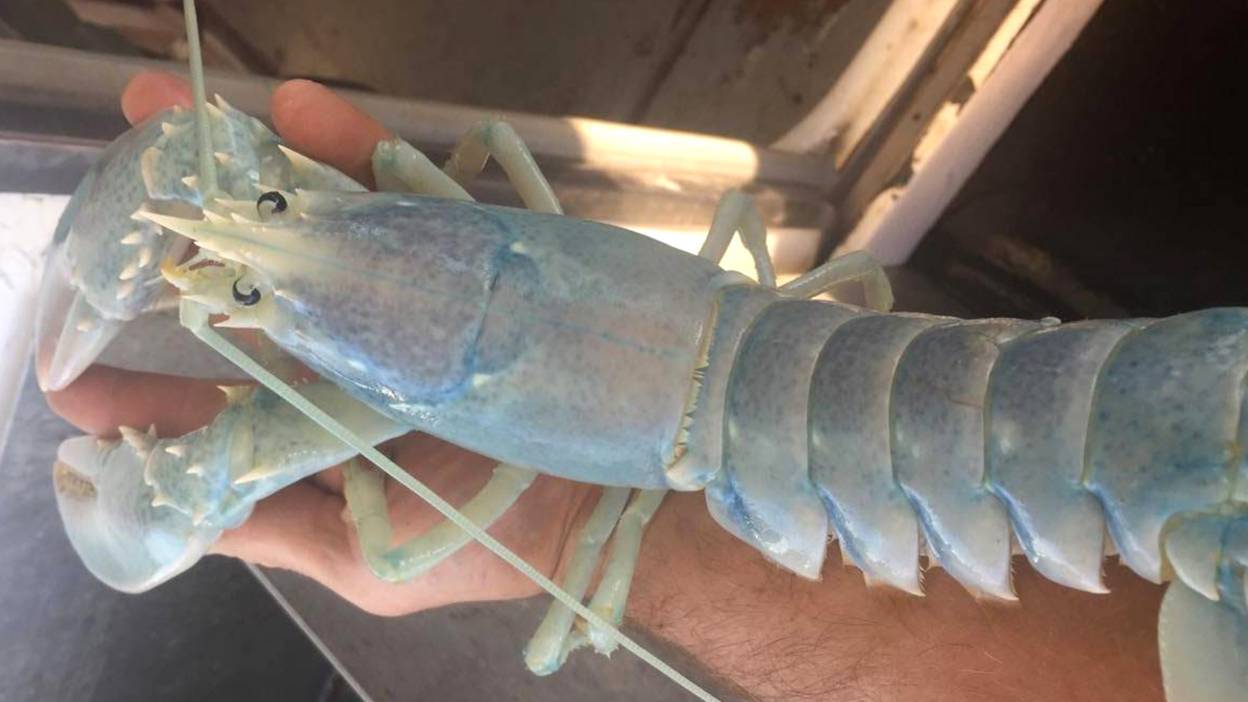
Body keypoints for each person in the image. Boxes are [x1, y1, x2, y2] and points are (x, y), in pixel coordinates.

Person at [45, 71, 1165, 702]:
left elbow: (393, 549)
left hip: (826, 401)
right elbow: (481, 140)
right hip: (881, 368)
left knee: (369, 500)